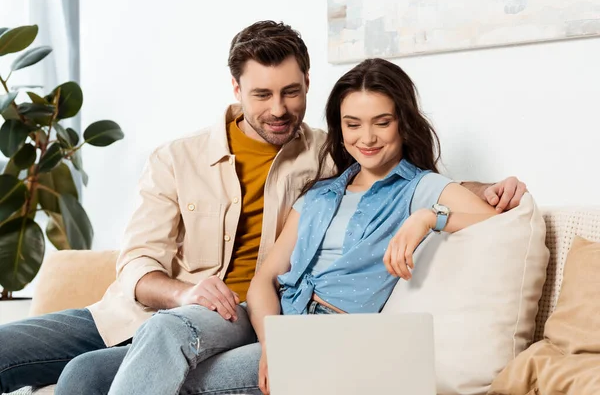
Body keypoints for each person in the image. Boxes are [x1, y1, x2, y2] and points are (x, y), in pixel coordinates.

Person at [0, 21, 526, 395]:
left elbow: (417, 179)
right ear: (236, 89)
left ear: (307, 87)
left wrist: (466, 197)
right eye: (262, 94)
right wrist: (187, 292)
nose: (279, 109)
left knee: (90, 375)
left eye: (291, 93)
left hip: (260, 319)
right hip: (152, 310)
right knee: (51, 361)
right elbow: (138, 262)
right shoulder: (181, 159)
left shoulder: (326, 152)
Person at [246, 58, 501, 394]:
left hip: (337, 341)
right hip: (283, 328)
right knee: (180, 343)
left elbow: (496, 223)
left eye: (382, 122)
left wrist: (428, 218)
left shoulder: (419, 187)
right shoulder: (319, 194)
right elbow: (264, 279)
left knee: (195, 382)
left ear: (403, 123)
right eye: (353, 125)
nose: (367, 138)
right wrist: (271, 345)